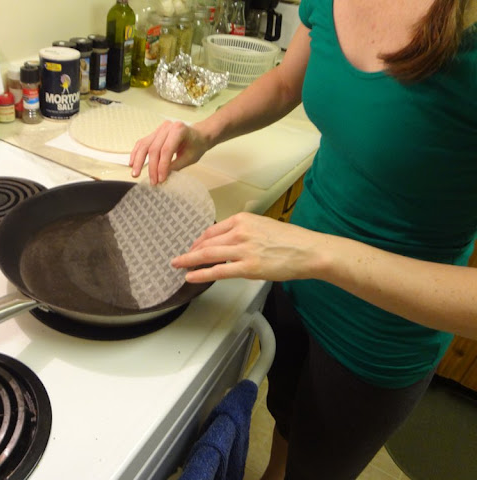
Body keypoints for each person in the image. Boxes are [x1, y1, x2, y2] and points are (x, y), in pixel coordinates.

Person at [129, 0, 477, 479]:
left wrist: (314, 253)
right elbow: (286, 82)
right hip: (291, 279)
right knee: (287, 424)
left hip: (377, 336)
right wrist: (207, 132)